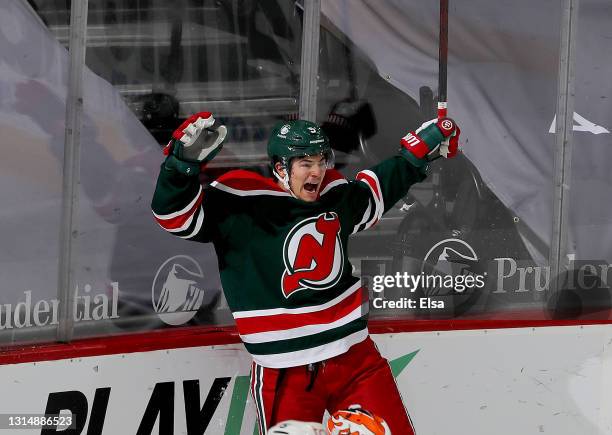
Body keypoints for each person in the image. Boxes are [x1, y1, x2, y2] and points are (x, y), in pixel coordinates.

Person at [151, 111, 460, 434]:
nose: (317, 171)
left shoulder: (333, 193)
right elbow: (173, 217)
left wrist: (418, 153)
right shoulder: (240, 201)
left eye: (321, 160)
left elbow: (375, 191)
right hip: (285, 372)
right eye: (305, 163)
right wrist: (180, 166)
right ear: (281, 168)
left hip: (355, 360)